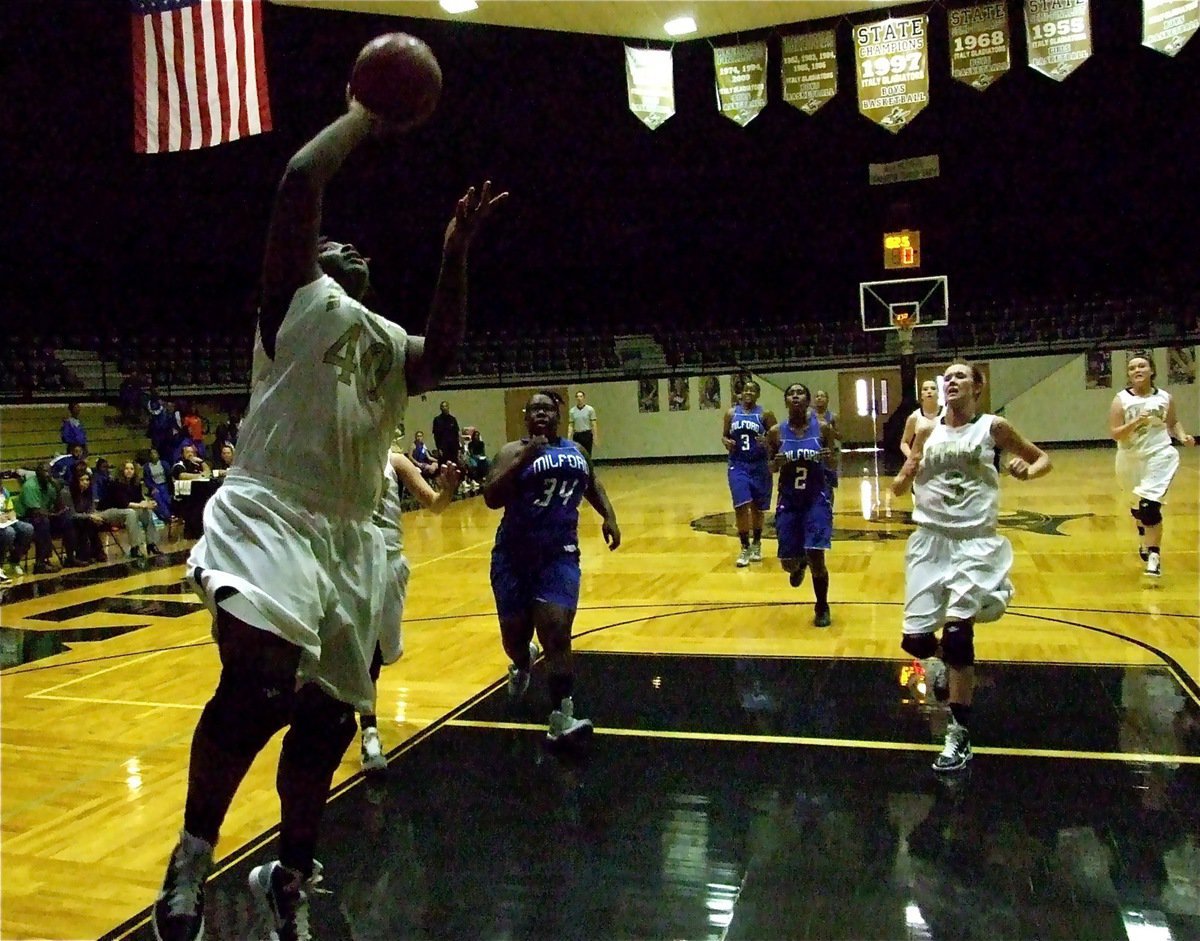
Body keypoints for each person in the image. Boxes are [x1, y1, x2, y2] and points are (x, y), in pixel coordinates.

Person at [150, 85, 505, 941]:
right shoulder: (293, 302)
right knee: (263, 677)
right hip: (272, 510)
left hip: (350, 540)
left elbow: (445, 353)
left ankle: (291, 874)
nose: (344, 255)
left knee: (324, 723)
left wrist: (456, 248)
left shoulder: (384, 339)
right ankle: (193, 857)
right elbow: (299, 181)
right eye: (330, 248)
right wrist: (365, 113)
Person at [890, 362, 1051, 773]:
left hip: (974, 542)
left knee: (960, 636)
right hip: (930, 542)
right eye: (947, 377)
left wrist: (1028, 472)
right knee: (917, 643)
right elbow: (902, 481)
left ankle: (958, 733)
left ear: (978, 387)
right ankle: (948, 662)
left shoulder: (993, 427)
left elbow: (1041, 459)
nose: (951, 381)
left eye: (961, 376)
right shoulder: (926, 431)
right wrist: (903, 477)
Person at [484, 390, 620, 744]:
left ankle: (563, 715)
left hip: (558, 556)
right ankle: (522, 660)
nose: (541, 413)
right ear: (526, 417)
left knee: (557, 632)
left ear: (558, 415)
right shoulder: (512, 451)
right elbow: (490, 497)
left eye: (548, 408)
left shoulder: (576, 452)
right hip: (513, 557)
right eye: (535, 409)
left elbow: (594, 484)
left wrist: (609, 516)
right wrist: (524, 458)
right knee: (514, 638)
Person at [361, 448, 461, 771]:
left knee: (384, 648)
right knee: (366, 653)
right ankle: (369, 730)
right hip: (352, 563)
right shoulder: (338, 455)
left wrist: (448, 490)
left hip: (390, 563)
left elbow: (434, 504)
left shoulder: (395, 460)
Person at [1109, 352, 1194, 576]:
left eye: (1142, 366)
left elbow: (1172, 422)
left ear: (1151, 370)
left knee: (1149, 506)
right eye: (1132, 368)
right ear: (1128, 374)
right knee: (1137, 507)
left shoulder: (1164, 397)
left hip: (1160, 453)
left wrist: (1183, 436)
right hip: (1129, 458)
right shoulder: (1121, 400)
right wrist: (1137, 420)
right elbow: (1116, 433)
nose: (1137, 370)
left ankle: (1154, 557)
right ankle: (1143, 531)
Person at [767, 383, 836, 627]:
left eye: (800, 393)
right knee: (788, 564)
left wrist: (830, 459)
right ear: (786, 401)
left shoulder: (823, 428)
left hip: (815, 498)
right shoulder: (776, 432)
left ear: (807, 400)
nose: (796, 396)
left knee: (817, 556)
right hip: (789, 499)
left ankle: (822, 606)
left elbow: (834, 463)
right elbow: (770, 467)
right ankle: (799, 563)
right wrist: (776, 463)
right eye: (791, 393)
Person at [722, 379, 776, 567]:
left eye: (753, 390)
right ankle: (744, 547)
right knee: (741, 505)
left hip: (759, 465)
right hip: (738, 464)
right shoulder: (731, 413)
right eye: (746, 389)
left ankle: (757, 542)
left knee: (757, 507)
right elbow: (725, 436)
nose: (749, 393)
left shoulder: (765, 415)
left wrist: (767, 442)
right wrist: (726, 442)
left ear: (758, 394)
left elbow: (777, 439)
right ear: (740, 393)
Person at [19, 462, 81, 573]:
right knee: (42, 522)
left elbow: (59, 507)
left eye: (49, 472)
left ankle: (70, 558)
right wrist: (54, 514)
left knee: (67, 519)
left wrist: (57, 490)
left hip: (46, 516)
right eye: (44, 472)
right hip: (27, 518)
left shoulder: (50, 485)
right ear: (37, 473)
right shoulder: (30, 486)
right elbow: (35, 512)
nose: (47, 475)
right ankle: (40, 564)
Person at [101, 460, 162, 557]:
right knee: (131, 513)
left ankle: (151, 543)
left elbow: (140, 500)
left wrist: (148, 503)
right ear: (122, 471)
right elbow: (123, 503)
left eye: (131, 469)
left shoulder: (136, 484)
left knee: (146, 511)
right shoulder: (115, 483)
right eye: (126, 469)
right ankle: (135, 547)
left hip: (127, 511)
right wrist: (141, 505)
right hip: (109, 511)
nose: (129, 471)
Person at [900, 379, 942, 459]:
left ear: (938, 393)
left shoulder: (947, 413)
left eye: (933, 388)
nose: (929, 391)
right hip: (923, 463)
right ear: (921, 395)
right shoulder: (914, 417)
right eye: (925, 389)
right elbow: (904, 443)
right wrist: (912, 458)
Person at [0, 485, 35, 581]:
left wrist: (12, 514)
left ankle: (14, 560)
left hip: (5, 521)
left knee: (27, 528)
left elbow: (10, 509)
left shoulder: (4, 491)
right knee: (9, 533)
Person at [143, 447, 173, 523]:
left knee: (167, 498)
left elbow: (169, 476)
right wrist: (152, 487)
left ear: (158, 455)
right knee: (158, 498)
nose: (153, 455)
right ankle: (167, 516)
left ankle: (172, 514)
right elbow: (147, 480)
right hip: (155, 486)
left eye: (155, 453)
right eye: (151, 454)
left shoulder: (164, 464)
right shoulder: (147, 467)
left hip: (165, 484)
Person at [568, 390, 598, 456]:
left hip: (587, 434)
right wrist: (569, 437)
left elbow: (593, 424)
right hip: (577, 435)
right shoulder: (572, 411)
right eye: (578, 397)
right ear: (576, 398)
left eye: (581, 396)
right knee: (578, 454)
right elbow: (571, 425)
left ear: (584, 398)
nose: (579, 398)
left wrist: (595, 437)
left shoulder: (590, 409)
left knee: (587, 454)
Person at [432, 400, 461, 466]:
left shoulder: (453, 419)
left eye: (446, 406)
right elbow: (436, 436)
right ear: (440, 408)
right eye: (442, 406)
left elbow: (456, 434)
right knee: (443, 466)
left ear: (448, 407)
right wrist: (439, 448)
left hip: (453, 448)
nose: (444, 408)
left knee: (454, 466)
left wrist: (458, 448)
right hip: (443, 447)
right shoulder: (437, 420)